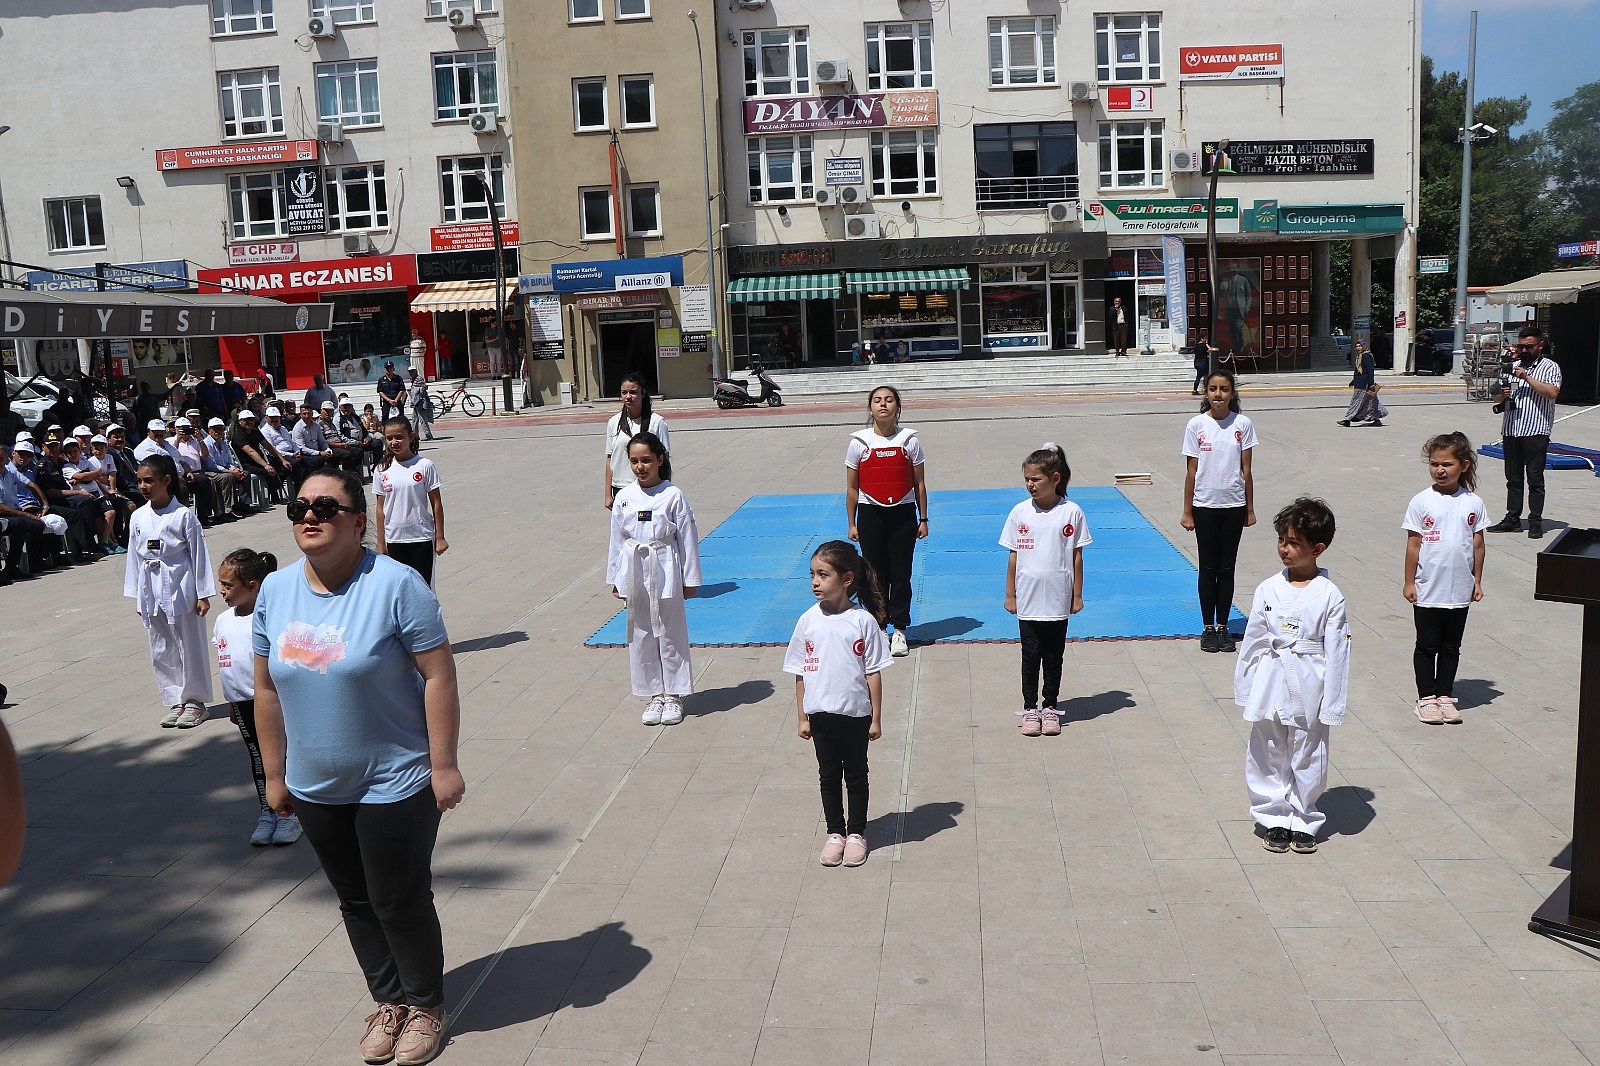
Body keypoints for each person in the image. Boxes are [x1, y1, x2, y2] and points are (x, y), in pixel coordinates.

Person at [253, 469, 462, 1066]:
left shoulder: (396, 585)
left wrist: (443, 764)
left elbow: (439, 675)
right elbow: (265, 691)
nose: (309, 516)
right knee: (355, 900)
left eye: (325, 507)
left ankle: (425, 1005)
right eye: (299, 507)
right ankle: (388, 1000)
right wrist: (276, 775)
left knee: (398, 899)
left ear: (358, 521)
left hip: (394, 779)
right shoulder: (275, 591)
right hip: (316, 784)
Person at [1234, 497, 1349, 855]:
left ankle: (1304, 816)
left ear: (1318, 549)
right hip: (1271, 676)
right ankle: (1272, 815)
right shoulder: (1268, 588)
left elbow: (1338, 652)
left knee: (1308, 750)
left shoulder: (1330, 595)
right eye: (1281, 540)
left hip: (1309, 680)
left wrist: (1332, 703)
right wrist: (1246, 685)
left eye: (1294, 543)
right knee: (1267, 748)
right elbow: (1254, 638)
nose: (1284, 548)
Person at [785, 540, 892, 868]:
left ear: (846, 579)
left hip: (856, 714)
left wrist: (875, 718)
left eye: (823, 574)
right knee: (828, 775)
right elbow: (800, 673)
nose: (815, 582)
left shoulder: (863, 621)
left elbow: (873, 672)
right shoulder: (807, 621)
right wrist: (803, 716)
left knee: (856, 775)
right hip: (820, 715)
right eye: (812, 575)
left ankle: (857, 833)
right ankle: (835, 833)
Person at [606, 431, 701, 726]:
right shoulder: (624, 497)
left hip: (666, 566)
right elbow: (617, 541)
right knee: (642, 633)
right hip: (634, 568)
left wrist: (690, 579)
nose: (640, 467)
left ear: (660, 459)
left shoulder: (672, 495)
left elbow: (687, 538)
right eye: (634, 461)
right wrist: (615, 579)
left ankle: (674, 694)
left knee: (671, 631)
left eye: (646, 460)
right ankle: (654, 693)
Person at [214, 548, 304, 847]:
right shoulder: (223, 620)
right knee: (257, 758)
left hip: (271, 702)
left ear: (252, 586)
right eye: (221, 583)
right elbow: (227, 662)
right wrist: (232, 702)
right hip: (242, 704)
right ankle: (268, 810)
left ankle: (290, 813)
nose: (222, 590)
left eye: (228, 585)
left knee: (279, 757)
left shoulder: (269, 617)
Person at [1001, 443, 1091, 738]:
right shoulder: (1019, 512)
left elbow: (1077, 556)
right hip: (1027, 598)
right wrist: (1010, 594)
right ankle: (1030, 709)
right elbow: (1013, 555)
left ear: (1055, 479)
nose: (1030, 485)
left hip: (1057, 597)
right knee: (1030, 654)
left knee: (1053, 656)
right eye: (1026, 479)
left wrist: (1077, 594)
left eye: (1036, 479)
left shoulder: (1072, 512)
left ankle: (1050, 707)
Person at [124, 453, 215, 730]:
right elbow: (134, 557)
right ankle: (175, 698)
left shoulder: (183, 515)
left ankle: (195, 700)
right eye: (139, 481)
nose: (143, 486)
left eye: (149, 481)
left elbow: (198, 554)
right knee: (161, 645)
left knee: (189, 643)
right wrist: (137, 595)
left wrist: (203, 593)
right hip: (151, 586)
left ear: (166, 480)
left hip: (180, 583)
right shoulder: (138, 516)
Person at [1403, 432, 1487, 725]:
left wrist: (1477, 581)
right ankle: (1426, 698)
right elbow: (1413, 544)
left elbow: (1478, 544)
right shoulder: (1421, 501)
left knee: (1451, 646)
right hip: (1428, 589)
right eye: (1434, 464)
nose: (1440, 470)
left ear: (1464, 466)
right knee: (1427, 644)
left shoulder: (1473, 502)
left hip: (1459, 590)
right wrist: (1409, 582)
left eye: (1447, 464)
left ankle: (1445, 695)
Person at [845, 385, 927, 658]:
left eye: (889, 400)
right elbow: (852, 488)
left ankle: (900, 629)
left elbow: (919, 484)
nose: (883, 404)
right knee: (875, 574)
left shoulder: (909, 441)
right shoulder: (859, 442)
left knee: (901, 574)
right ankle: (879, 628)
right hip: (870, 513)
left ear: (897, 407)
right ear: (870, 408)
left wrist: (923, 519)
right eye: (877, 400)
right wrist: (852, 523)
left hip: (903, 514)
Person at [1181, 369, 1257, 653]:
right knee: (1207, 568)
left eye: (1224, 389)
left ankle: (1223, 626)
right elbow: (1191, 472)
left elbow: (1247, 470)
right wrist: (1187, 511)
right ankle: (1207, 627)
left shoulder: (1243, 424)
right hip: (1204, 506)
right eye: (1213, 389)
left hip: (1234, 506)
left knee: (1227, 568)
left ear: (1232, 393)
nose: (1218, 394)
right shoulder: (1196, 425)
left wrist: (1249, 508)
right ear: (1206, 392)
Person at [1487, 326, 1562, 539]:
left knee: (1535, 479)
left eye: (1528, 347)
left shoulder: (1550, 367)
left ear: (1540, 345)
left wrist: (1527, 378)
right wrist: (1501, 394)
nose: (1524, 350)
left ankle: (1535, 521)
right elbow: (1496, 397)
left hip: (1535, 430)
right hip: (1512, 429)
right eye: (1521, 346)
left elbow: (1552, 392)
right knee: (1513, 478)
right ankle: (1512, 518)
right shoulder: (1512, 366)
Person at [375, 418, 448, 587]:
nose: (394, 442)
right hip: (394, 539)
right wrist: (381, 542)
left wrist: (440, 537)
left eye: (399, 437)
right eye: (389, 438)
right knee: (399, 588)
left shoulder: (424, 465)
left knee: (423, 587)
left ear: (411, 437)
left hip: (421, 537)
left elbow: (436, 503)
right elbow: (380, 508)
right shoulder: (382, 470)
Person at [602, 373, 669, 510]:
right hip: (620, 487)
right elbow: (610, 459)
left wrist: (666, 490)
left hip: (649, 487)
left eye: (633, 392)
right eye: (624, 393)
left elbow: (665, 459)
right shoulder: (613, 422)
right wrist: (608, 494)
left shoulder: (657, 422)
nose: (628, 396)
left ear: (642, 393)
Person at [0, 443, 48, 582]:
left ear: (6, 459)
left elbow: (31, 485)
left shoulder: (9, 471)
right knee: (22, 523)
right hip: (4, 513)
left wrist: (44, 504)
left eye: (1, 459)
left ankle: (29, 563)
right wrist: (27, 515)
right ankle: (11, 567)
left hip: (13, 511)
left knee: (37, 524)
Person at [204, 418, 253, 518]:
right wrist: (231, 472)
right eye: (215, 429)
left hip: (223, 470)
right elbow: (211, 465)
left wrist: (235, 469)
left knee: (245, 474)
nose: (218, 431)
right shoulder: (207, 444)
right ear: (209, 430)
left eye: (221, 428)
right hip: (210, 471)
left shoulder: (223, 443)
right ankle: (228, 509)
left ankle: (244, 505)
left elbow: (228, 462)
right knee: (228, 477)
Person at [1336, 342, 1386, 427]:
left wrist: (1371, 383)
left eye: (1360, 346)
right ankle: (1376, 419)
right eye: (1357, 346)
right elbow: (1358, 371)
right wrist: (1353, 381)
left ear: (1364, 346)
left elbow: (1370, 370)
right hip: (1360, 382)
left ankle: (1347, 420)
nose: (1358, 348)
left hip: (1364, 384)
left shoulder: (1366, 356)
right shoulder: (1360, 356)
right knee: (1371, 402)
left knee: (1355, 402)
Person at [407, 369, 435, 443]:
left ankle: (428, 435)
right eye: (410, 372)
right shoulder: (413, 379)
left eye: (412, 371)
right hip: (416, 402)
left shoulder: (418, 379)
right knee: (414, 419)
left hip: (420, 402)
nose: (410, 373)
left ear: (416, 371)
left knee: (422, 419)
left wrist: (416, 391)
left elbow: (423, 388)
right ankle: (415, 435)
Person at [1191, 331, 1212, 396]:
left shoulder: (1196, 346)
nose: (1205, 340)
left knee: (1198, 377)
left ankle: (1195, 390)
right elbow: (1210, 350)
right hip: (1203, 363)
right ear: (1202, 339)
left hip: (1197, 363)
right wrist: (1207, 344)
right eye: (1205, 338)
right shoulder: (1203, 346)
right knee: (1206, 377)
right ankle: (1206, 389)